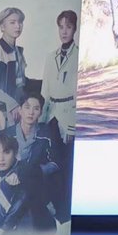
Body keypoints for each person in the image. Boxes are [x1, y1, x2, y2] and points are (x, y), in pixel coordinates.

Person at [1, 92, 65, 223]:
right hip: (11, 182)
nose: (31, 112)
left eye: (36, 108)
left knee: (30, 175)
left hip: (38, 183)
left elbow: (56, 163)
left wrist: (37, 171)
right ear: (20, 110)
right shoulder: (7, 134)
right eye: (27, 107)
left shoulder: (47, 133)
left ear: (40, 112)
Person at [0, 134, 56, 235]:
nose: (1, 159)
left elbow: (22, 199)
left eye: (7, 152)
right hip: (10, 228)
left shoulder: (27, 169)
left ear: (15, 153)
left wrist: (2, 230)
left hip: (35, 230)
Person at [0, 7, 29, 128]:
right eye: (12, 22)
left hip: (17, 111)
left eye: (20, 22)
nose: (17, 26)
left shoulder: (18, 53)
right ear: (2, 27)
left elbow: (20, 83)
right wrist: (11, 103)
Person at [42, 10, 79, 143]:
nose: (64, 32)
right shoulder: (51, 57)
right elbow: (45, 91)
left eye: (68, 27)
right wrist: (42, 119)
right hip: (51, 114)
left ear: (74, 29)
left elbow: (78, 94)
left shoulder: (78, 56)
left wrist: (72, 126)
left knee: (66, 151)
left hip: (67, 115)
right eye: (61, 27)